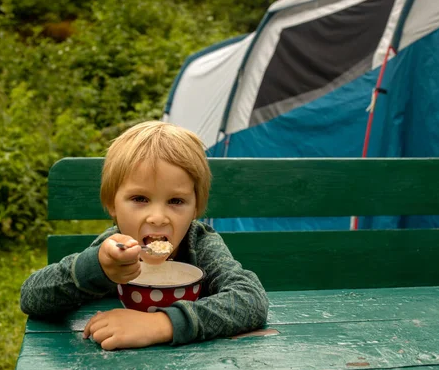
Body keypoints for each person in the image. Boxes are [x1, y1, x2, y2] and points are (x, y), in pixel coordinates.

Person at [20, 120, 268, 350]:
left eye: (176, 201)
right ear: (112, 205)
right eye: (140, 199)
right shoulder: (113, 249)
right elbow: (31, 297)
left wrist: (161, 325)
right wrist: (97, 268)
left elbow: (250, 300)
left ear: (196, 209)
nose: (158, 217)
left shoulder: (200, 244)